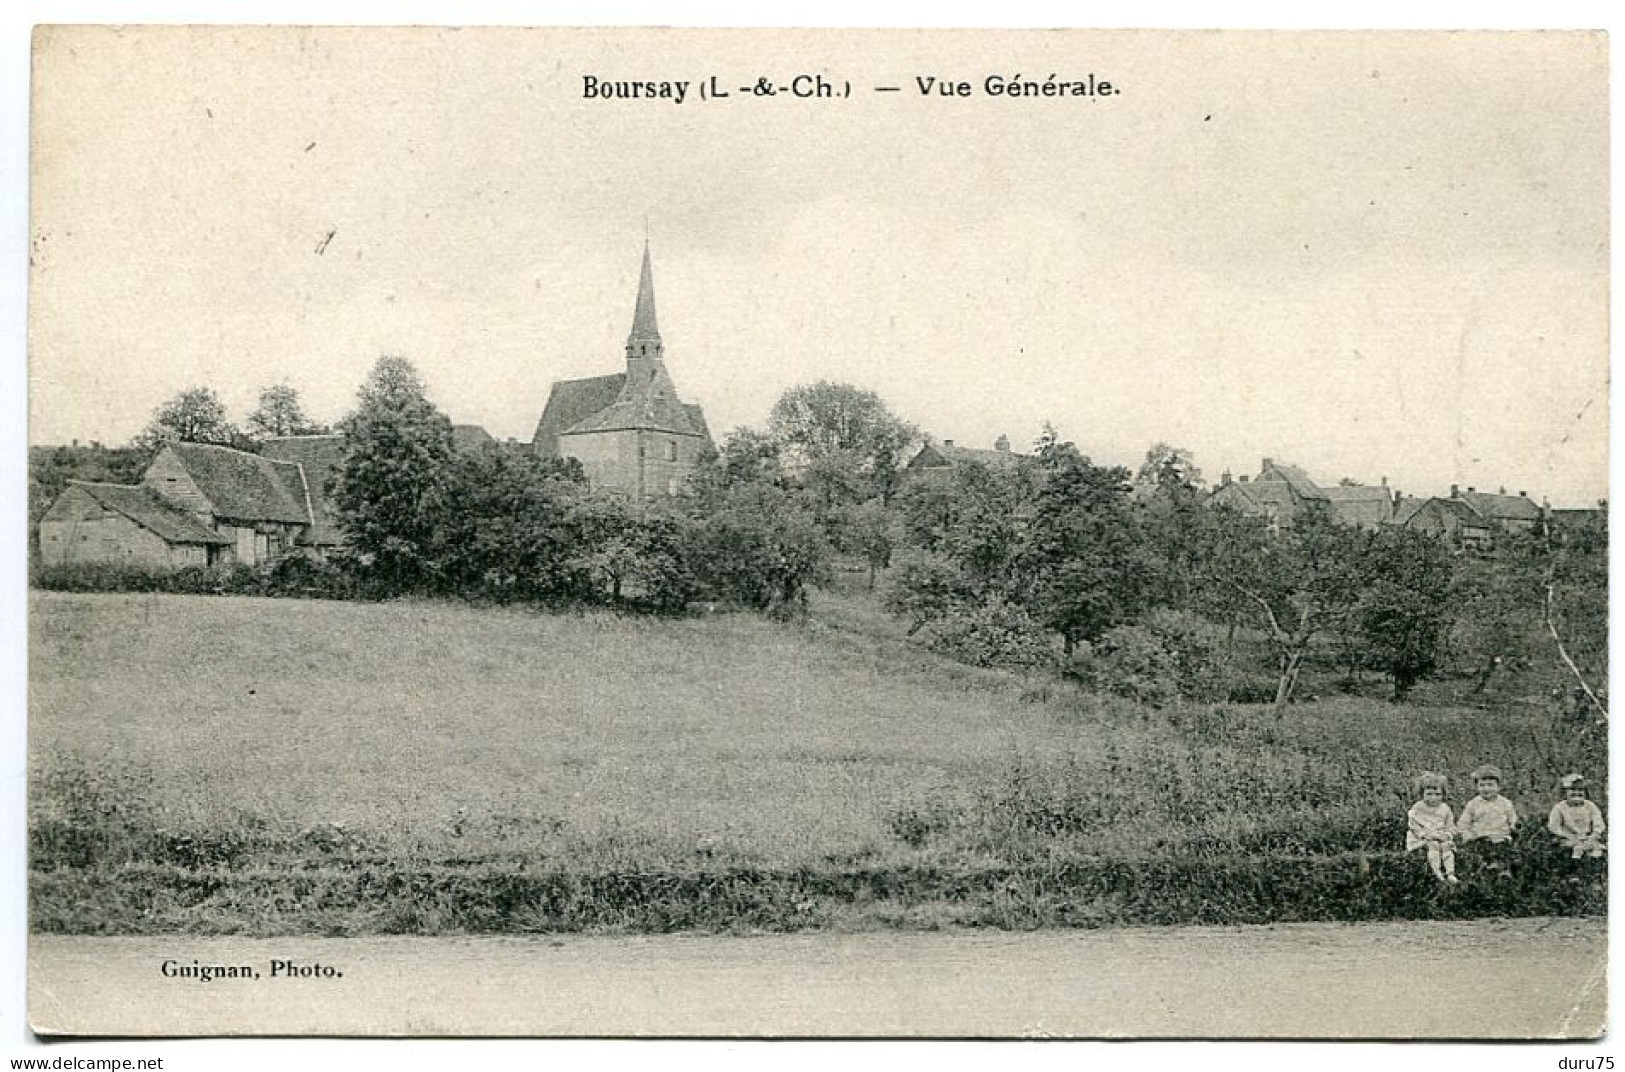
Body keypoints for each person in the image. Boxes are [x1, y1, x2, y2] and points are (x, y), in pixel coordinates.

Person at [1456, 764, 1518, 878]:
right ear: (1477, 787)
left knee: (1504, 855)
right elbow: (1463, 823)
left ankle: (1504, 874)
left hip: (1501, 838)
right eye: (1482, 785)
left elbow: (1513, 819)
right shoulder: (1473, 804)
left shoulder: (1505, 803)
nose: (1486, 789)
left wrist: (1514, 827)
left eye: (1490, 785)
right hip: (1480, 839)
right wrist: (1468, 835)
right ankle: (1482, 874)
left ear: (1498, 787)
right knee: (1479, 859)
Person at [1406, 772, 1459, 884]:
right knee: (1433, 845)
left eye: (1437, 794)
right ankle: (1437, 871)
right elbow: (1414, 827)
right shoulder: (1418, 807)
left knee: (1446, 846)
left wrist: (1447, 834)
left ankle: (1450, 873)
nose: (1433, 798)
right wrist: (1426, 835)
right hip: (1422, 838)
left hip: (1440, 836)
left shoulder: (1445, 808)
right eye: (1429, 794)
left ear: (1443, 794)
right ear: (1422, 794)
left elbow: (1450, 825)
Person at [1547, 773, 1606, 863]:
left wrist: (1593, 836)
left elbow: (1599, 824)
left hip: (1588, 839)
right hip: (1567, 840)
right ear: (1565, 792)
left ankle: (1594, 872)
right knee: (1575, 852)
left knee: (1598, 852)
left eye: (1580, 790)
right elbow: (1554, 827)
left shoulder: (1590, 806)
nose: (1577, 793)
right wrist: (1569, 837)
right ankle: (1575, 871)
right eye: (1572, 790)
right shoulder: (1559, 808)